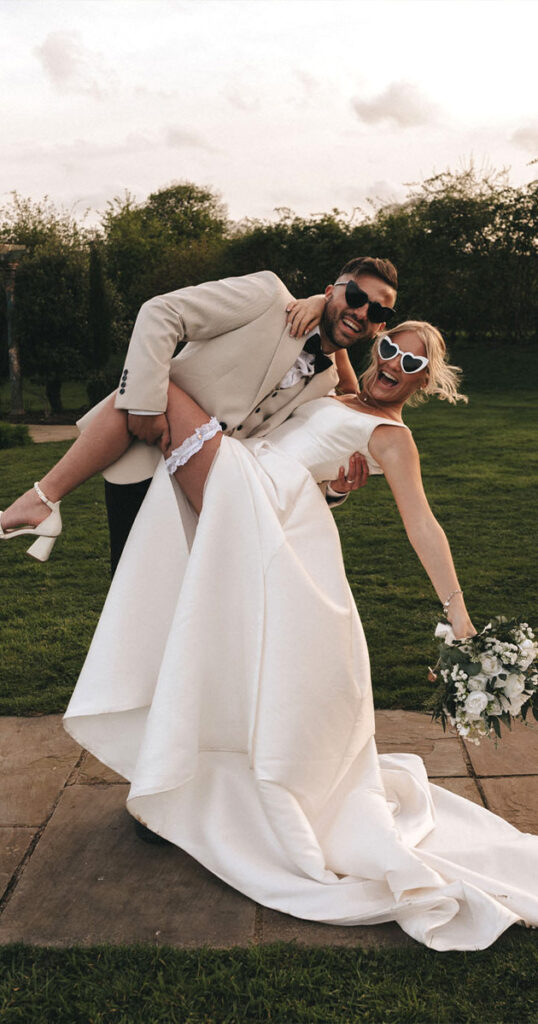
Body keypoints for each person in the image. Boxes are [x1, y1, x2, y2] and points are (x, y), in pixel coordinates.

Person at [4, 316, 536, 949]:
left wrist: (460, 615)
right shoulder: (345, 386)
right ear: (378, 346)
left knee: (164, 385)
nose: (395, 362)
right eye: (392, 348)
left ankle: (44, 495)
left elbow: (422, 523)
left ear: (423, 381)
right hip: (273, 496)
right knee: (218, 641)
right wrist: (336, 480)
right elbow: (338, 339)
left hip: (259, 497)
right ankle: (57, 493)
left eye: (413, 363)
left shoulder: (393, 436)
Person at [86, 258, 398, 573]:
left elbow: (289, 458)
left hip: (209, 497)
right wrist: (145, 405)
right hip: (146, 457)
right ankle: (43, 499)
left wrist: (335, 490)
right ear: (330, 291)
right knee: (132, 596)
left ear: (380, 327)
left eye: (376, 312)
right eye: (356, 296)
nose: (361, 312)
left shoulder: (326, 387)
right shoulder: (269, 296)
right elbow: (161, 312)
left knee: (186, 611)